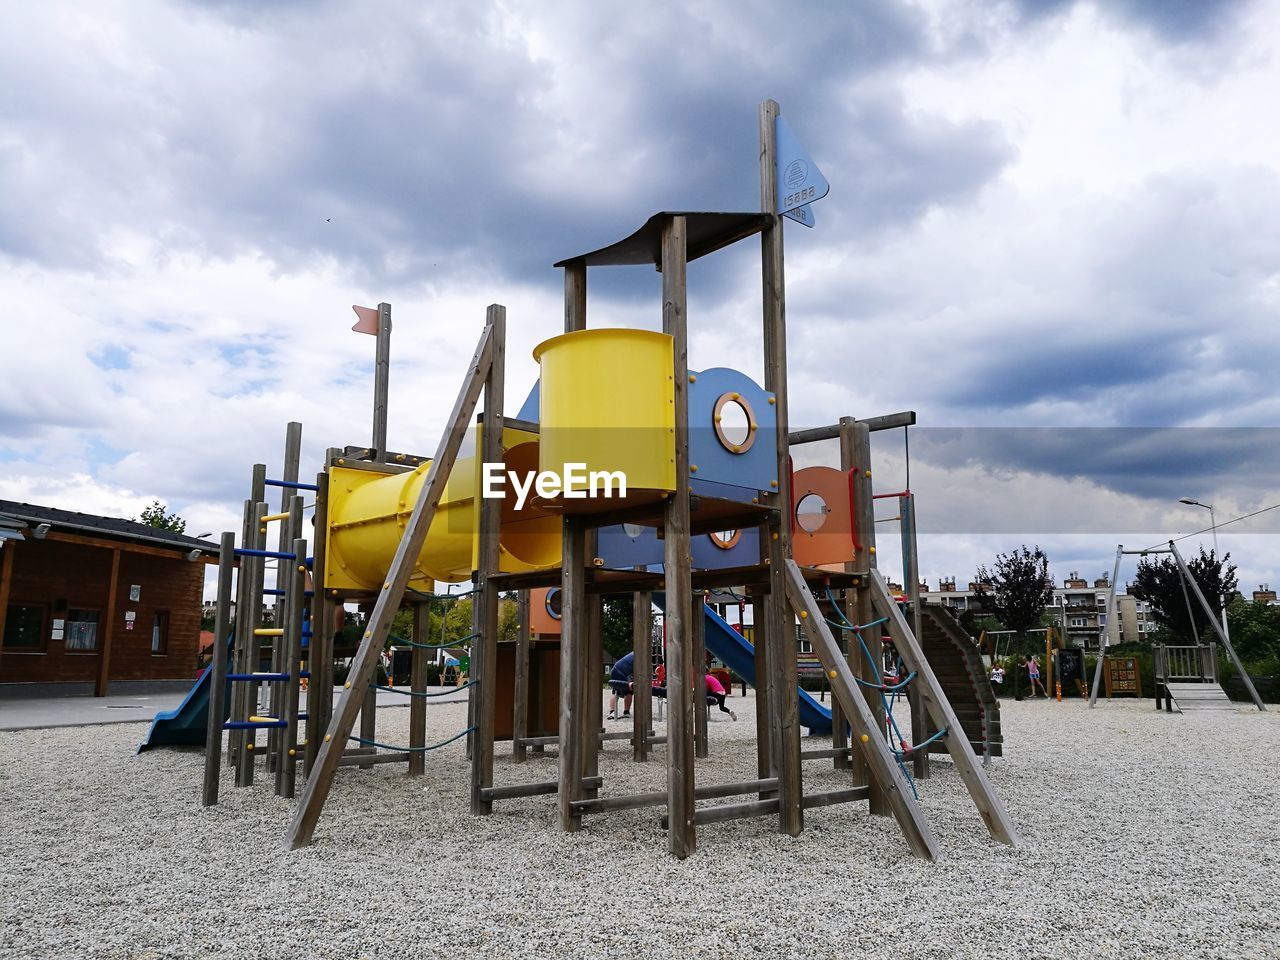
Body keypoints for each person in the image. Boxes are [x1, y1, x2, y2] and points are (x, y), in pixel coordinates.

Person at [607, 651, 635, 720]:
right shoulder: (639, 655)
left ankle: (625, 712)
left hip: (619, 670)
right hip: (620, 671)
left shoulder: (636, 653)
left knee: (627, 690)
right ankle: (613, 712)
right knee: (617, 691)